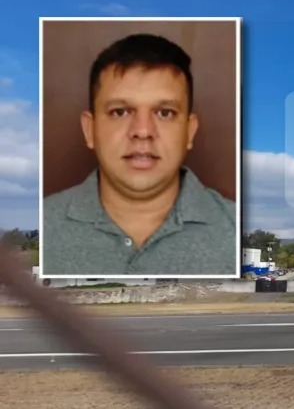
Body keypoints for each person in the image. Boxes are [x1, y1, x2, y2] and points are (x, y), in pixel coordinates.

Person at [42, 33, 238, 276]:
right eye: (120, 112)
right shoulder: (42, 224)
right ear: (90, 129)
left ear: (189, 131)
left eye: (165, 113)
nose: (143, 131)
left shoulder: (236, 228)